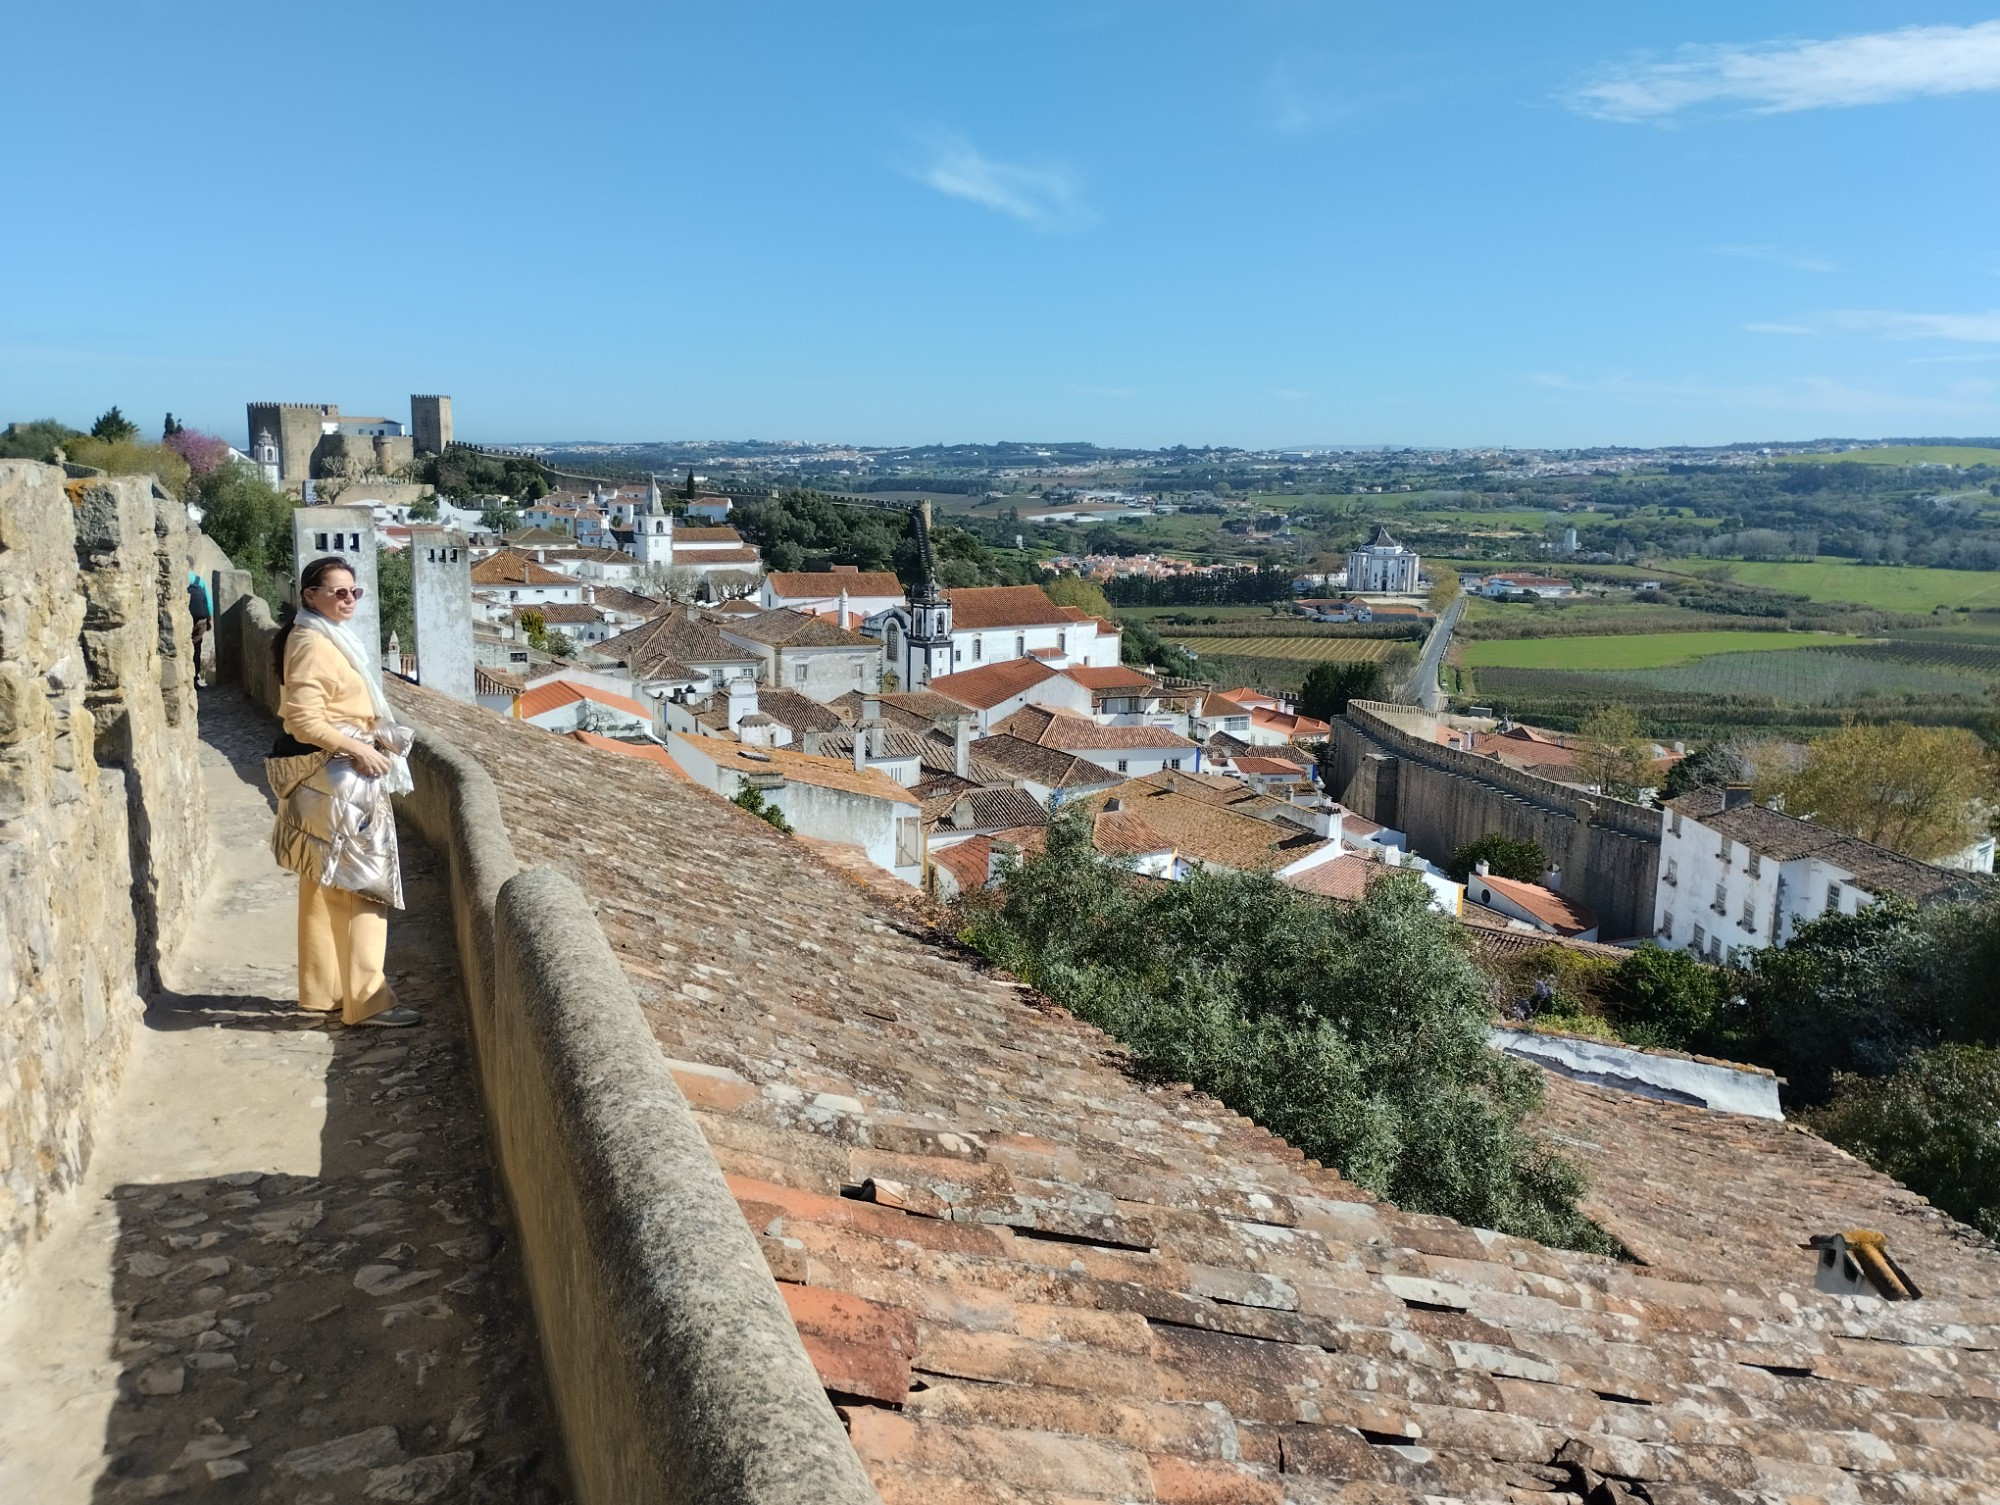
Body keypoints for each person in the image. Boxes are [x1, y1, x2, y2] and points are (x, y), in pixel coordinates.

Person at [267, 556, 422, 1028]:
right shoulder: (313, 643)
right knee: (361, 887)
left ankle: (324, 992)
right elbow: (302, 719)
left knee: (323, 882)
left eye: (354, 592)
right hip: (338, 776)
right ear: (309, 596)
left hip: (329, 776)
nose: (348, 599)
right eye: (337, 592)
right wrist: (358, 747)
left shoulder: (317, 636)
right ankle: (367, 1000)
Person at [186, 558, 211, 688]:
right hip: (199, 621)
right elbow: (208, 601)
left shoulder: (179, 579)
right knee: (196, 648)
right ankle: (194, 678)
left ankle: (184, 677)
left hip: (184, 620)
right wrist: (209, 618)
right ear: (193, 566)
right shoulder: (198, 580)